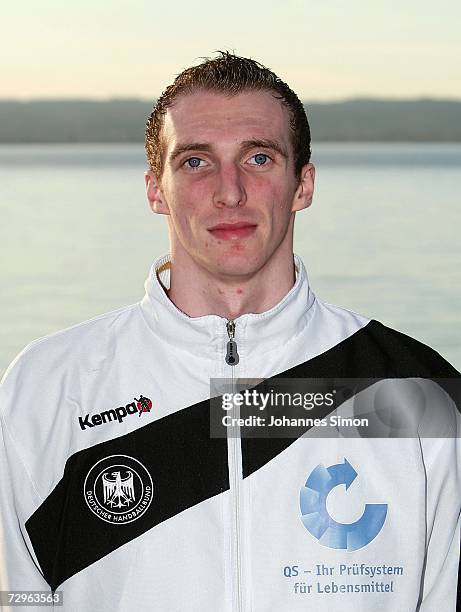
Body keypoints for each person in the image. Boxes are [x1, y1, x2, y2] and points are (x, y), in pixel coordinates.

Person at [0, 52, 459, 612]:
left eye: (259, 158)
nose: (230, 191)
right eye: (196, 163)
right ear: (155, 190)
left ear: (303, 184)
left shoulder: (416, 389)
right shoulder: (47, 385)